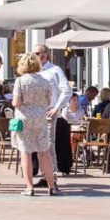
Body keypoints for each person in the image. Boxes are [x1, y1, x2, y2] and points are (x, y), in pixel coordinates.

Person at [12, 53, 59, 196]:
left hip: (24, 118)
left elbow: (16, 103)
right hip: (40, 118)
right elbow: (48, 101)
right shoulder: (45, 81)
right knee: (44, 152)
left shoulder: (20, 81)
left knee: (26, 153)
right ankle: (51, 186)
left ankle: (29, 187)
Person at [33, 43, 74, 179]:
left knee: (49, 144)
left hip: (49, 111)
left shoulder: (55, 70)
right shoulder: (33, 71)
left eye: (38, 53)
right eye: (34, 53)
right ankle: (45, 175)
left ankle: (52, 176)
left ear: (46, 54)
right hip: (35, 112)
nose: (36, 56)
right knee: (38, 145)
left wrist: (57, 107)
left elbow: (67, 90)